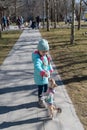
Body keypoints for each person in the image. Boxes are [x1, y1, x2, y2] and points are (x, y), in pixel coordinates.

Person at [32, 39, 53, 108]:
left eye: (46, 51)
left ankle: (45, 97)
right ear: (39, 50)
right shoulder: (37, 59)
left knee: (46, 87)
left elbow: (48, 64)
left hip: (45, 77)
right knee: (40, 89)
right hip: (40, 77)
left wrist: (50, 69)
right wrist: (42, 72)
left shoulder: (46, 56)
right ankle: (40, 99)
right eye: (43, 52)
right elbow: (37, 66)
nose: (45, 53)